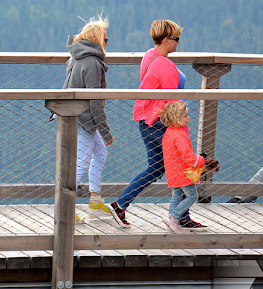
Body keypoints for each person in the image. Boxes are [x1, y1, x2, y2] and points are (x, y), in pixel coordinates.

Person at [109, 19, 202, 230]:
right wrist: (182, 130)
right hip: (162, 124)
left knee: (157, 167)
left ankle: (121, 205)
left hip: (146, 121)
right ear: (167, 40)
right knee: (180, 164)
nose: (179, 43)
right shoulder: (166, 64)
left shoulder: (149, 56)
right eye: (176, 39)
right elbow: (172, 104)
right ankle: (179, 216)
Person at [64, 14, 114, 221]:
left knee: (100, 153)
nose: (107, 41)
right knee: (82, 163)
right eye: (105, 37)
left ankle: (95, 201)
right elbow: (95, 100)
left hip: (73, 115)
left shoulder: (74, 57)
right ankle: (64, 206)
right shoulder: (92, 63)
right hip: (85, 120)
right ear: (96, 39)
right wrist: (105, 130)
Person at [158, 101, 207, 233]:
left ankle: (172, 221)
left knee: (177, 196)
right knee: (192, 196)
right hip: (183, 173)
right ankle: (174, 217)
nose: (188, 117)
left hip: (172, 171)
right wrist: (201, 160)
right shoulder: (180, 135)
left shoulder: (169, 132)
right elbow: (187, 156)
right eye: (185, 116)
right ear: (176, 119)